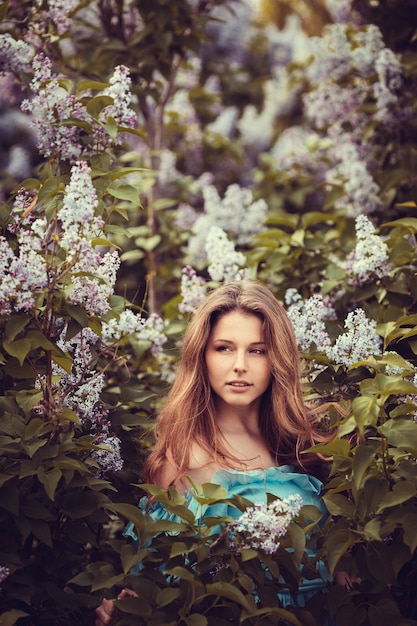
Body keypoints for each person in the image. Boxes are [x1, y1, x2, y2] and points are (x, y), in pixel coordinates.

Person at [95, 280, 336, 626]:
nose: (240, 365)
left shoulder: (303, 446)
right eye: (224, 348)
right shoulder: (182, 461)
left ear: (277, 359)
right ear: (202, 356)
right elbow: (157, 587)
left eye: (257, 350)